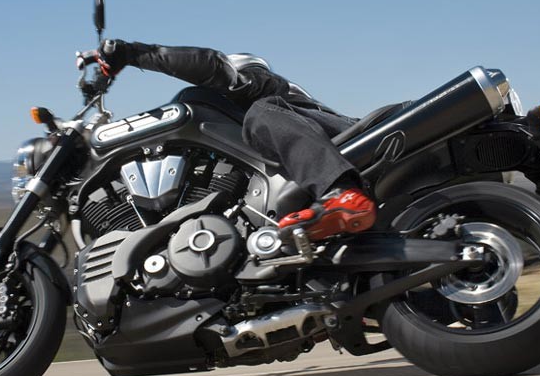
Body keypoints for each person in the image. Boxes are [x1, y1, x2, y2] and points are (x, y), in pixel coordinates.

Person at [96, 39, 376, 241]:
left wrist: (133, 53)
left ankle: (341, 193)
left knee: (261, 114)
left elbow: (215, 68)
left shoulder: (264, 85)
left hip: (349, 138)